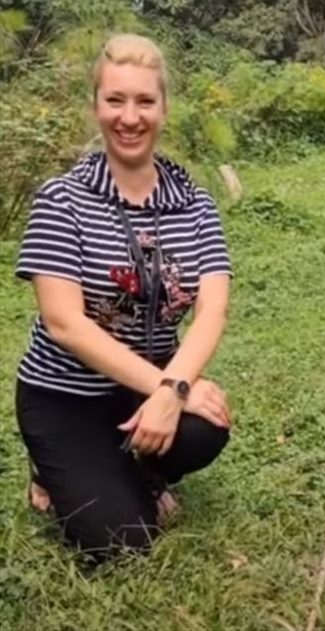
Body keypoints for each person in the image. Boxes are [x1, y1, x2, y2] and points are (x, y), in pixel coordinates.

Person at [15, 33, 233, 561]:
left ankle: (140, 468)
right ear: (96, 106)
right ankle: (56, 468)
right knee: (121, 542)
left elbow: (212, 308)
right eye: (115, 100)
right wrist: (168, 388)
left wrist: (172, 390)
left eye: (144, 101)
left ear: (163, 108)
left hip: (146, 388)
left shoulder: (195, 205)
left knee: (206, 428)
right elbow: (64, 322)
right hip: (65, 396)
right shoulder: (61, 199)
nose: (129, 117)